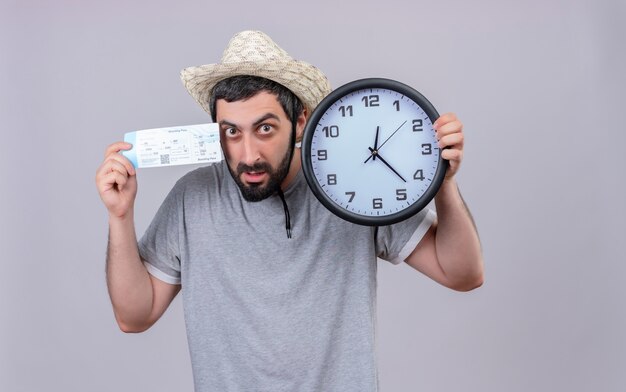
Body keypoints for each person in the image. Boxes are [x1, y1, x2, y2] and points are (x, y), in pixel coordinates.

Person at [95, 30, 483, 391]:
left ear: (300, 121)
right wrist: (120, 216)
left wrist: (443, 184)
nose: (248, 155)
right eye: (232, 131)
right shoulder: (192, 197)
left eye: (265, 129)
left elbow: (462, 273)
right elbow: (134, 316)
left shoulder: (352, 186)